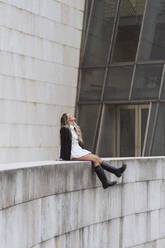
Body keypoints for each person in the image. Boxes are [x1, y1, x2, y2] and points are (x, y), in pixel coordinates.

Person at [60, 113, 127, 189]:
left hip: (78, 150)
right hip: (73, 153)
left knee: (95, 160)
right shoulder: (64, 129)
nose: (72, 115)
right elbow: (63, 144)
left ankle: (106, 182)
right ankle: (115, 172)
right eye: (70, 115)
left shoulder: (73, 128)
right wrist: (62, 157)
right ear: (67, 119)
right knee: (95, 158)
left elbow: (78, 143)